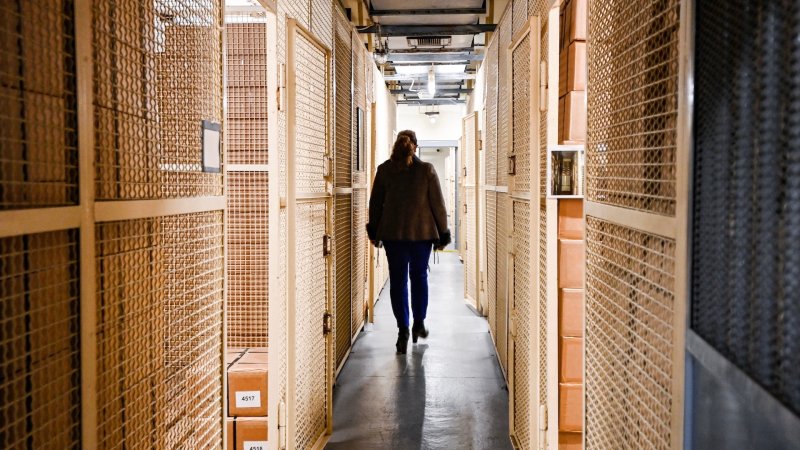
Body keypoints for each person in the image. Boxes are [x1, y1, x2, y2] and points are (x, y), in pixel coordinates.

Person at [366, 130, 451, 354]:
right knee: (419, 277)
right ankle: (419, 324)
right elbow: (438, 206)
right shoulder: (426, 170)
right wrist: (443, 233)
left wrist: (373, 230)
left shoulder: (384, 170)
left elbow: (375, 204)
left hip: (394, 236)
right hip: (422, 236)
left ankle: (403, 330)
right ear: (415, 145)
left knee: (398, 281)